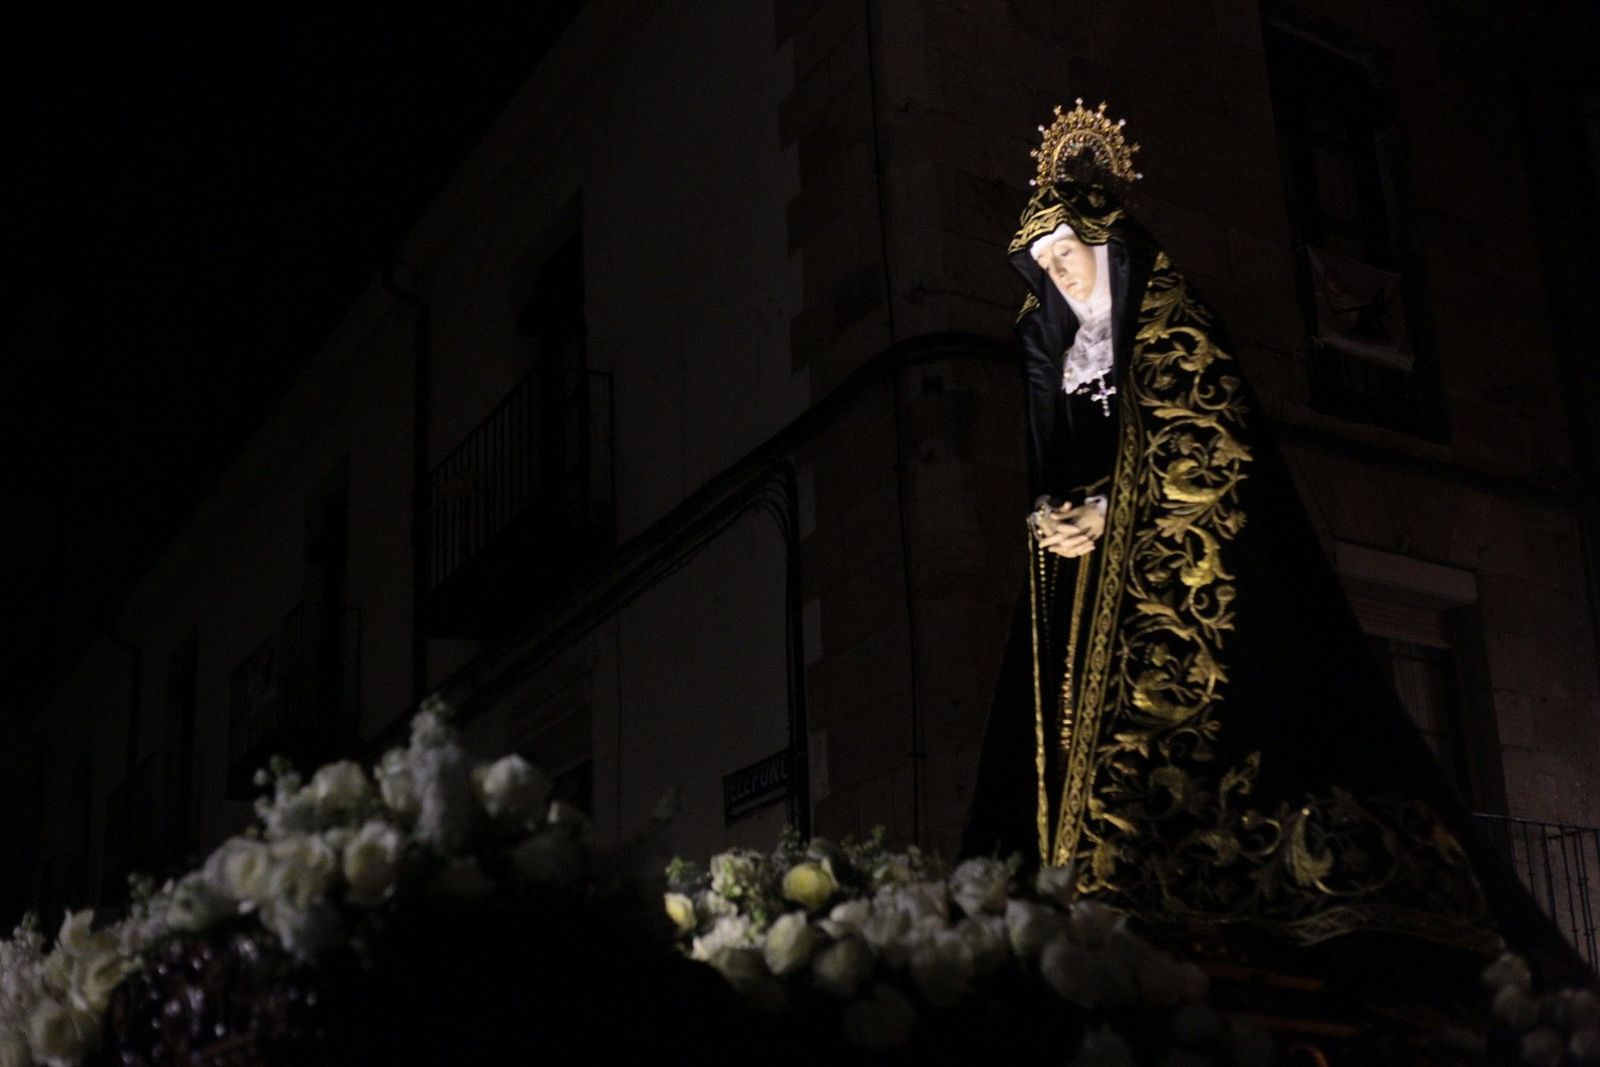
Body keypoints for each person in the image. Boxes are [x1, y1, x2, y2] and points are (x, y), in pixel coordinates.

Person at [961, 101, 1589, 984]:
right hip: (1077, 586)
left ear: (1105, 248)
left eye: (1070, 258)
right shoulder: (1057, 355)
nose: (1061, 279)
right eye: (1047, 268)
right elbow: (1054, 459)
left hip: (1172, 574)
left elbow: (1206, 444)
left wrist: (1117, 513)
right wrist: (1049, 516)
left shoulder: (1172, 325)